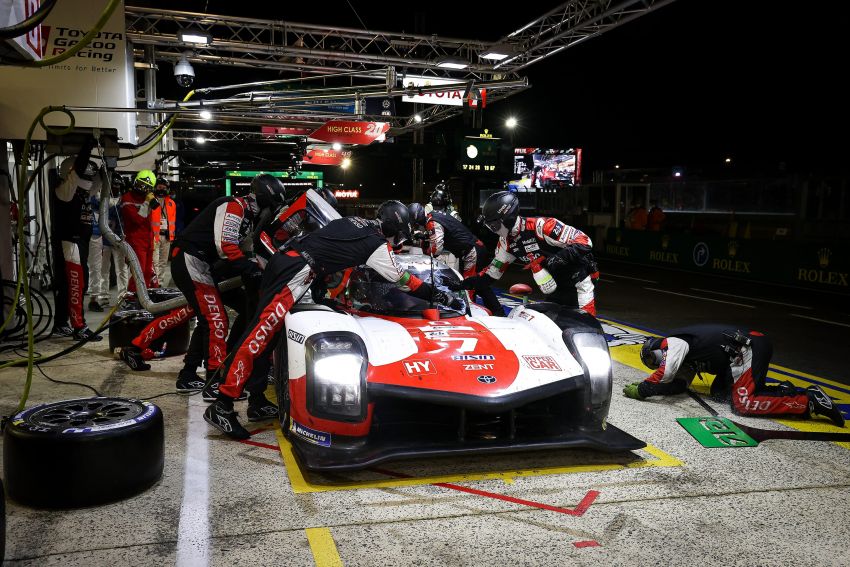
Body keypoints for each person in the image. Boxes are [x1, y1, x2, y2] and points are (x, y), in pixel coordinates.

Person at [204, 200, 463, 439]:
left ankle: (257, 400)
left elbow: (327, 248)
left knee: (269, 336)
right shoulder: (377, 246)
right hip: (296, 271)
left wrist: (319, 292)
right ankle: (223, 405)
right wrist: (437, 294)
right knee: (260, 335)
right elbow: (405, 281)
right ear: (397, 230)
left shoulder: (352, 221)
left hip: (286, 262)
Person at [623, 325, 844, 427]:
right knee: (720, 394)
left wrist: (644, 389)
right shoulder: (685, 354)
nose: (655, 364)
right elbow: (679, 384)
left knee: (743, 405)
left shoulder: (674, 342)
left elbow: (666, 372)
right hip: (739, 357)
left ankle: (808, 401)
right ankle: (788, 392)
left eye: (653, 359)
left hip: (748, 349)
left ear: (657, 348)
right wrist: (654, 388)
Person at [459, 191, 599, 315]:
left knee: (587, 324)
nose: (493, 230)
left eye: (494, 225)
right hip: (554, 287)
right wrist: (465, 283)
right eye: (489, 226)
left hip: (579, 283)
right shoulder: (505, 243)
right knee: (553, 328)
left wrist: (558, 259)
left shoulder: (542, 226)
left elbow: (585, 241)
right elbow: (492, 274)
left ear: (507, 218)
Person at [49, 137, 103, 341]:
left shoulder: (84, 190)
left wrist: (107, 166)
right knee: (75, 284)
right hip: (69, 242)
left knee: (74, 283)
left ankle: (61, 324)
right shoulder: (65, 190)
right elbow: (79, 170)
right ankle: (79, 327)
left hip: (80, 241)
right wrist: (88, 145)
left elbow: (97, 182)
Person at [409, 202, 503, 316]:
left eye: (416, 223)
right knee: (480, 285)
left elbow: (436, 249)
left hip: (471, 251)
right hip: (475, 248)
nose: (417, 226)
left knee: (469, 287)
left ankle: (469, 316)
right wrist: (425, 237)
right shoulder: (435, 215)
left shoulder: (432, 222)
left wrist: (425, 247)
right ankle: (498, 312)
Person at [120, 170, 159, 292]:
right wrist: (147, 202)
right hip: (135, 241)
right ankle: (132, 297)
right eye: (139, 184)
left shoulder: (148, 198)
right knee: (139, 271)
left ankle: (144, 298)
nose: (140, 188)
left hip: (148, 240)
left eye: (145, 186)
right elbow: (137, 220)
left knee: (148, 272)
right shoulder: (127, 198)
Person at [150, 177, 177, 287]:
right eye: (159, 187)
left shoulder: (172, 203)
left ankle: (160, 283)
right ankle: (154, 283)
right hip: (154, 236)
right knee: (154, 262)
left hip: (166, 236)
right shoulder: (151, 201)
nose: (161, 189)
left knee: (163, 262)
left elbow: (173, 221)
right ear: (155, 188)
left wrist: (170, 233)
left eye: (164, 188)